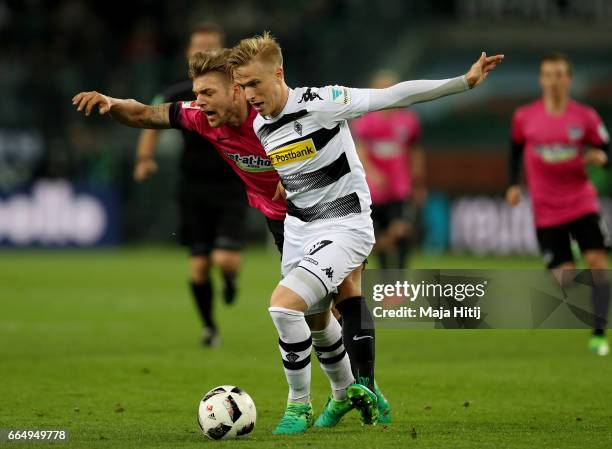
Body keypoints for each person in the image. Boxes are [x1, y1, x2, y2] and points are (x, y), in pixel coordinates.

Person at [71, 48, 385, 431]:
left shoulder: (270, 111)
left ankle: (340, 395)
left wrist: (301, 180)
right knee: (315, 317)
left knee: (339, 300)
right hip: (284, 224)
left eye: (208, 93)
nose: (200, 102)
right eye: (197, 94)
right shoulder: (202, 117)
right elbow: (143, 114)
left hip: (330, 214)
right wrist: (111, 102)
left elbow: (325, 141)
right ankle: (346, 393)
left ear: (237, 90)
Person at [228, 31, 503, 434]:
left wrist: (463, 81)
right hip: (301, 225)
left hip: (345, 224)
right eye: (242, 86)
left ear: (278, 73)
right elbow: (295, 162)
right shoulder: (261, 124)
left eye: (254, 83)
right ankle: (347, 395)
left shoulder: (322, 103)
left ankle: (297, 407)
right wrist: (288, 181)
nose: (249, 93)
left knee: (284, 307)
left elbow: (394, 96)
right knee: (319, 320)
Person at [133, 23, 244, 348]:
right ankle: (210, 327)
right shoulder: (179, 93)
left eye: (212, 49)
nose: (205, 54)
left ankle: (231, 277)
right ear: (188, 54)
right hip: (193, 186)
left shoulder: (238, 90)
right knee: (198, 266)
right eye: (199, 49)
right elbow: (149, 121)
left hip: (232, 183)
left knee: (224, 259)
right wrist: (144, 159)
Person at [506, 52, 611, 356]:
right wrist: (513, 184)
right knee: (565, 280)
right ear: (541, 79)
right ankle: (569, 254)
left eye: (559, 75)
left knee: (597, 265)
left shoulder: (586, 117)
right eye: (548, 75)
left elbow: (606, 150)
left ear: (569, 79)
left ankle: (599, 333)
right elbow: (514, 151)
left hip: (582, 203)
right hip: (546, 210)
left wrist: (602, 159)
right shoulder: (525, 117)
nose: (553, 81)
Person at [353, 69, 426, 270]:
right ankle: (387, 279)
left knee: (401, 232)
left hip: (400, 188)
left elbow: (415, 151)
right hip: (373, 190)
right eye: (381, 89)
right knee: (379, 239)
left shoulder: (408, 120)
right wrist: (373, 174)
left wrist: (418, 181)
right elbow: (360, 151)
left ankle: (399, 280)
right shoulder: (365, 119)